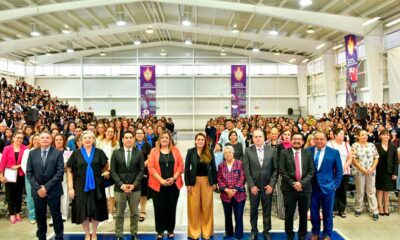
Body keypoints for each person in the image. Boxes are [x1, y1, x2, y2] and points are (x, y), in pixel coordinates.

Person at [67, 131, 110, 240]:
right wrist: (71, 188)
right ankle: (87, 233)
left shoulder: (99, 152)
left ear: (93, 140)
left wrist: (103, 172)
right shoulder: (76, 153)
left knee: (95, 209)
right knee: (83, 210)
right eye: (85, 138)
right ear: (81, 141)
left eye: (90, 137)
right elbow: (69, 170)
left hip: (96, 185)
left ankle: (94, 233)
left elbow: (106, 164)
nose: (87, 140)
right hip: (80, 185)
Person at [26, 131, 64, 240]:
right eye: (42, 137)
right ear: (38, 139)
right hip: (37, 191)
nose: (45, 139)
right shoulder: (32, 153)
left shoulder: (57, 153)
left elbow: (60, 172)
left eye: (47, 137)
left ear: (51, 140)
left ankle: (59, 236)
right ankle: (41, 236)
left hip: (53, 190)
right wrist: (38, 188)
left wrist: (46, 187)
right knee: (40, 216)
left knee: (56, 215)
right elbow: (29, 172)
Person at [148, 130, 184, 239]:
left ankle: (170, 229)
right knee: (159, 208)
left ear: (170, 140)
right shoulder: (153, 151)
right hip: (157, 185)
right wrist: (161, 180)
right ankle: (159, 230)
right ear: (159, 140)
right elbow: (151, 167)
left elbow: (180, 165)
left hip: (173, 185)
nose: (164, 139)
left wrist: (173, 178)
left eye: (166, 138)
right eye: (162, 137)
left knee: (171, 208)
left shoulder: (176, 151)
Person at [243, 129, 278, 240]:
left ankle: (266, 231)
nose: (258, 138)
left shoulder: (272, 151)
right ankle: (254, 231)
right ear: (253, 138)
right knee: (253, 209)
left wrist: (271, 185)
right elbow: (246, 170)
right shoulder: (248, 151)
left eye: (260, 136)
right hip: (254, 186)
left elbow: (276, 170)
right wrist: (251, 185)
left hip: (267, 186)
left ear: (264, 138)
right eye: (256, 137)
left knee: (267, 209)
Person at [307, 131, 342, 240]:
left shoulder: (334, 152)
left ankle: (327, 234)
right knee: (314, 212)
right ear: (313, 140)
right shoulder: (308, 151)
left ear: (326, 140)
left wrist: (335, 185)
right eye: (316, 139)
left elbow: (339, 171)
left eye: (322, 139)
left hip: (328, 187)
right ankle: (315, 233)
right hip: (312, 187)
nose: (319, 141)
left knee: (328, 213)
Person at [279, 133, 314, 240]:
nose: (297, 141)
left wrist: (301, 183)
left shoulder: (307, 154)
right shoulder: (284, 153)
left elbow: (311, 171)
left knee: (303, 214)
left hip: (305, 188)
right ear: (291, 141)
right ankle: (289, 235)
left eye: (299, 139)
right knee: (289, 214)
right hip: (289, 188)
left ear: (303, 142)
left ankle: (302, 236)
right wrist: (294, 184)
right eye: (294, 139)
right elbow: (282, 170)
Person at [110, 131, 144, 240]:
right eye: (126, 137)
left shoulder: (139, 153)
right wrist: (121, 185)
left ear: (133, 140)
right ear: (123, 140)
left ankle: (134, 233)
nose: (128, 139)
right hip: (120, 189)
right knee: (119, 213)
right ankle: (119, 234)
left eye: (130, 137)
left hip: (135, 188)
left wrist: (134, 185)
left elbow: (141, 170)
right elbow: (113, 171)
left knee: (134, 213)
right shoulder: (116, 153)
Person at [185, 133, 217, 240]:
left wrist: (214, 183)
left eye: (202, 139)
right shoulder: (190, 152)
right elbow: (186, 169)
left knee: (207, 207)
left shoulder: (209, 151)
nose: (200, 141)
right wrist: (188, 183)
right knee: (194, 208)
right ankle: (194, 232)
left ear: (205, 141)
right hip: (193, 182)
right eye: (198, 139)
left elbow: (213, 168)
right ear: (195, 141)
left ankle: (207, 232)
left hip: (207, 182)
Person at [217, 146, 246, 240]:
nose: (228, 154)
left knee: (238, 214)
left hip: (239, 195)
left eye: (229, 152)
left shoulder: (239, 163)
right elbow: (219, 179)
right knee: (227, 215)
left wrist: (234, 190)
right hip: (225, 195)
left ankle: (238, 234)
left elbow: (242, 177)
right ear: (224, 155)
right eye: (225, 153)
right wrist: (226, 190)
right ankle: (228, 233)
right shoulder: (221, 165)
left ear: (233, 153)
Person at [351, 129, 380, 221]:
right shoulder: (355, 145)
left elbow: (376, 158)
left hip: (371, 172)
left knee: (371, 191)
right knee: (360, 190)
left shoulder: (372, 145)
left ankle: (374, 210)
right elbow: (353, 159)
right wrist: (362, 169)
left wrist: (372, 168)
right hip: (359, 172)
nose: (365, 136)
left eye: (366, 135)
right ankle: (358, 208)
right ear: (358, 136)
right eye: (362, 135)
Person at [0, 131, 27, 224]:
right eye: (18, 137)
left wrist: (18, 166)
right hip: (9, 175)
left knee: (19, 196)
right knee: (10, 196)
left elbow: (26, 162)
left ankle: (18, 212)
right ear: (13, 138)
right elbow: (3, 162)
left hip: (20, 175)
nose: (19, 139)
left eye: (21, 138)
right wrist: (1, 175)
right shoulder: (7, 148)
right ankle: (12, 213)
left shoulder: (25, 148)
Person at [96, 126, 120, 222]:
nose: (110, 133)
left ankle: (110, 213)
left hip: (112, 171)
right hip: (102, 171)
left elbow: (117, 158)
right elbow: (97, 158)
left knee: (111, 193)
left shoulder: (116, 143)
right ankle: (104, 212)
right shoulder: (99, 142)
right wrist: (103, 171)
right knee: (104, 193)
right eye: (108, 131)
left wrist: (110, 171)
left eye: (112, 132)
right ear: (105, 132)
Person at [327, 128, 352, 218]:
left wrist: (343, 168)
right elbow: (328, 158)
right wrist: (337, 169)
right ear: (335, 135)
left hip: (345, 171)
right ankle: (333, 209)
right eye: (341, 134)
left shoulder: (346, 145)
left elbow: (350, 158)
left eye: (343, 134)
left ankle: (341, 209)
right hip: (333, 171)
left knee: (342, 190)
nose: (343, 136)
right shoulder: (330, 144)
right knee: (333, 190)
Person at [375, 129, 398, 216]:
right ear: (380, 136)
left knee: (387, 190)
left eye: (387, 135)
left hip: (389, 171)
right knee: (380, 189)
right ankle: (380, 207)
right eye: (384, 135)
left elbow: (396, 161)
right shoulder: (376, 145)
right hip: (379, 171)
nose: (386, 136)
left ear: (390, 136)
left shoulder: (393, 146)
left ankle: (386, 207)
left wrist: (395, 173)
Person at [21, 134, 40, 224]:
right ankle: (32, 216)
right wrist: (30, 176)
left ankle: (40, 215)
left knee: (41, 196)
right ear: (32, 141)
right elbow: (23, 165)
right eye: (34, 139)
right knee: (30, 197)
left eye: (38, 139)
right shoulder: (27, 151)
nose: (36, 141)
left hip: (42, 177)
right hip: (30, 177)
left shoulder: (44, 150)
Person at [53, 134, 72, 222]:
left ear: (64, 141)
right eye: (56, 140)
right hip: (52, 177)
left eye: (60, 140)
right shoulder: (51, 151)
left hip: (64, 176)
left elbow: (69, 165)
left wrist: (65, 167)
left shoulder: (67, 151)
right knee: (54, 197)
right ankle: (55, 216)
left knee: (64, 195)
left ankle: (64, 215)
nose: (58, 141)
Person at [134, 128, 152, 222]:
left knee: (143, 192)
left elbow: (149, 159)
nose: (139, 135)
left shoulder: (147, 145)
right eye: (137, 133)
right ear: (135, 135)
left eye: (141, 133)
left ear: (144, 135)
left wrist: (141, 165)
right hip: (132, 172)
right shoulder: (132, 145)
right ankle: (134, 211)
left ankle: (143, 211)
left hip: (144, 171)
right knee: (133, 192)